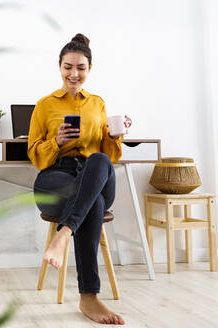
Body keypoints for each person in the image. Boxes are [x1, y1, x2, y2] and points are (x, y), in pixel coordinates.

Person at [27, 33, 131, 325]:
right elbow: (35, 155)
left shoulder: (97, 103)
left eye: (81, 68)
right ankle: (89, 298)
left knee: (97, 160)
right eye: (68, 67)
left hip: (94, 173)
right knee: (93, 203)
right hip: (57, 176)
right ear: (59, 67)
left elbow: (109, 156)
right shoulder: (44, 105)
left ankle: (63, 234)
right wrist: (57, 142)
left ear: (89, 69)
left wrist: (114, 136)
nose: (74, 74)